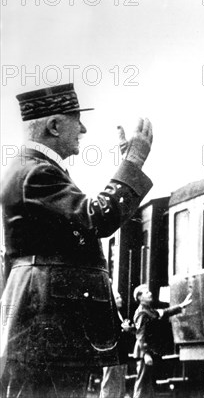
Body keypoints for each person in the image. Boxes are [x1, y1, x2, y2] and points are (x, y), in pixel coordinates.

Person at [0, 83, 154, 398]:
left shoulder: (33, 170)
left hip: (47, 320)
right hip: (51, 323)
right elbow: (99, 217)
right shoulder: (37, 173)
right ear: (54, 125)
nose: (82, 128)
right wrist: (133, 162)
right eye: (75, 119)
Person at [132, 284, 192, 398]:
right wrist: (146, 354)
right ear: (140, 297)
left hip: (150, 351)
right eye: (146, 293)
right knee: (143, 384)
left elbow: (165, 312)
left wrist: (180, 306)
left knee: (149, 384)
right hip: (145, 352)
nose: (150, 293)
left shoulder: (149, 310)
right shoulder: (142, 313)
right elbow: (141, 335)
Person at [99, 290, 135, 398]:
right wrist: (123, 330)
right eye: (117, 298)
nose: (121, 300)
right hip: (112, 355)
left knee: (119, 382)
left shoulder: (119, 314)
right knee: (110, 382)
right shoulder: (108, 315)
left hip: (120, 354)